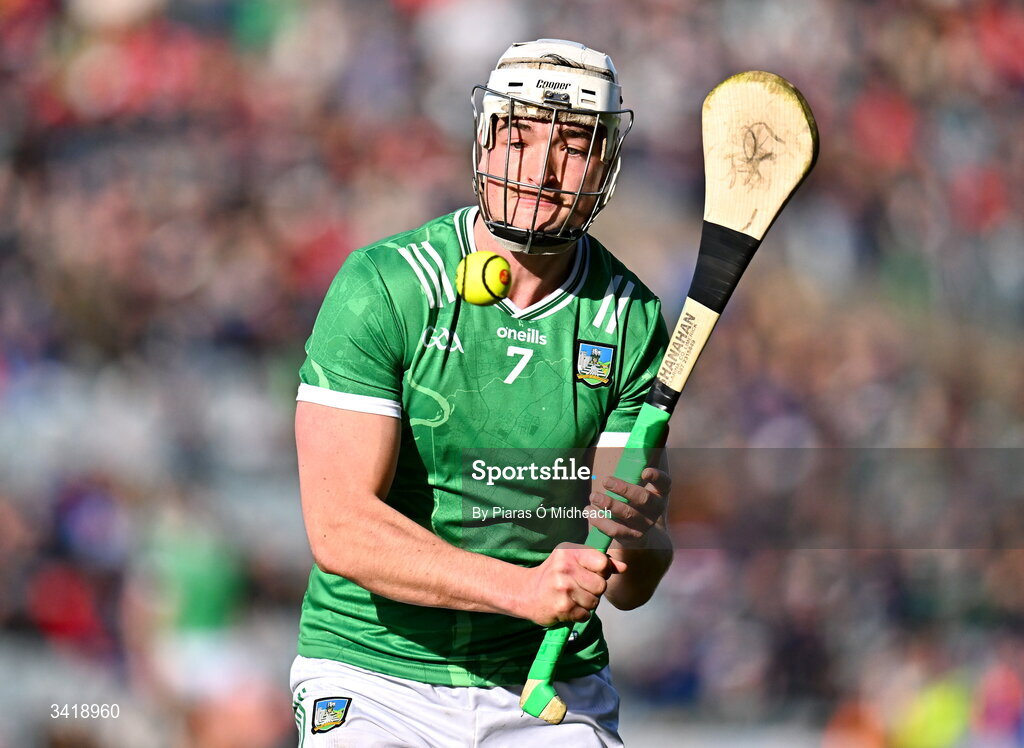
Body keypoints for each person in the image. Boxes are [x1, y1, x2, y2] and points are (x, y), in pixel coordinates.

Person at [291, 38, 673, 746]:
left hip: (548, 685)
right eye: (519, 137)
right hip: (374, 677)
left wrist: (637, 539)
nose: (540, 171)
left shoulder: (631, 318)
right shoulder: (385, 286)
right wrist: (520, 589)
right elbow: (339, 526)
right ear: (485, 140)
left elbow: (627, 580)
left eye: (573, 146)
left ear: (606, 162)